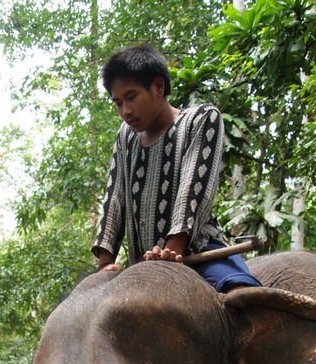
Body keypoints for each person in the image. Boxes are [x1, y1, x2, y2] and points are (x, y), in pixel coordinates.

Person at [91, 44, 262, 291]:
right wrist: (105, 263)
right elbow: (114, 199)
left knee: (243, 294)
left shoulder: (201, 119)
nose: (125, 111)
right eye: (118, 103)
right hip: (144, 262)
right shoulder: (125, 136)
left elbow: (192, 190)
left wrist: (173, 249)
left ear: (158, 87)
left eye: (131, 98)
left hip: (200, 252)